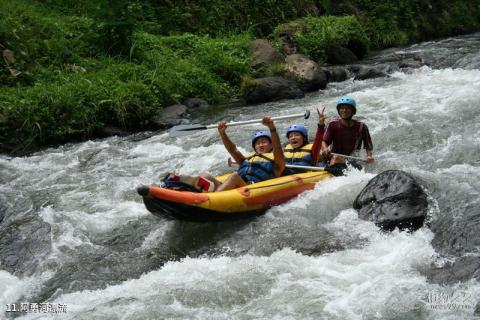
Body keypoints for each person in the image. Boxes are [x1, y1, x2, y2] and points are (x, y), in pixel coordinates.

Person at [200, 116, 285, 192]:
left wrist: (272, 128)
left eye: (263, 142)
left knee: (234, 177)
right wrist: (222, 133)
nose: (260, 145)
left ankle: (213, 197)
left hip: (250, 189)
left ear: (271, 145)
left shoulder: (276, 163)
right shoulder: (246, 159)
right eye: (257, 143)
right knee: (204, 175)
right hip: (234, 188)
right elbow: (233, 150)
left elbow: (277, 147)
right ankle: (193, 193)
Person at [321, 96, 374, 169]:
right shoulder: (332, 125)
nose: (344, 110)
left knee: (336, 159)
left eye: (347, 108)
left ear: (353, 111)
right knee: (336, 158)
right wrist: (325, 148)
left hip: (353, 161)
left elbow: (368, 146)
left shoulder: (362, 127)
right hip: (333, 159)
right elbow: (324, 141)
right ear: (339, 110)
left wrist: (369, 156)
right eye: (342, 108)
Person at [283, 108, 326, 173]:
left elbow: (318, 139)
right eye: (290, 136)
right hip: (287, 176)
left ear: (304, 138)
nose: (293, 138)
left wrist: (321, 125)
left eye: (297, 135)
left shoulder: (313, 149)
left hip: (306, 176)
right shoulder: (286, 148)